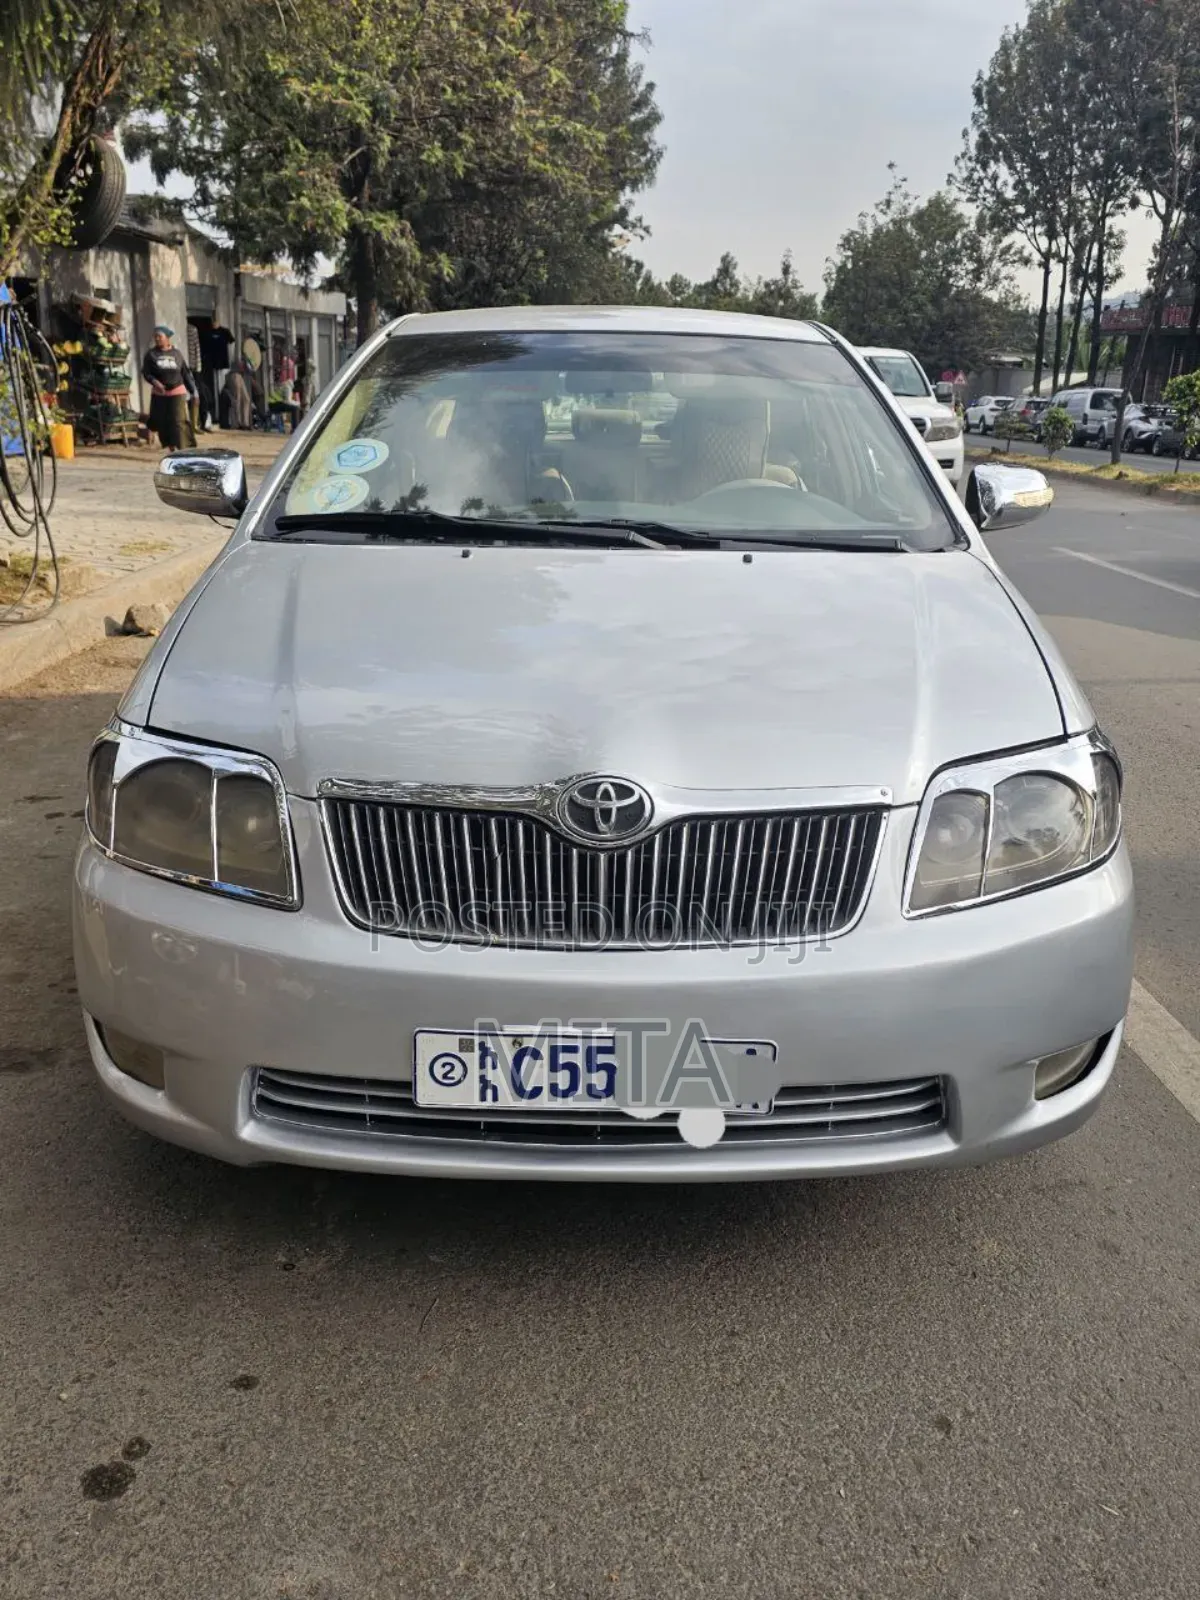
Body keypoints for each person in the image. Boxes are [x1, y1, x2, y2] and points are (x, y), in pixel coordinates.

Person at [142, 325, 196, 450]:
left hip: (177, 391)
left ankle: (182, 449)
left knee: (178, 421)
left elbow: (185, 373)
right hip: (159, 394)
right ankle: (171, 448)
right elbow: (146, 373)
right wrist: (155, 382)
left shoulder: (177, 354)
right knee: (164, 422)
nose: (157, 339)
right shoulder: (151, 355)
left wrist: (194, 391)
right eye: (155, 337)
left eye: (160, 336)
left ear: (167, 338)